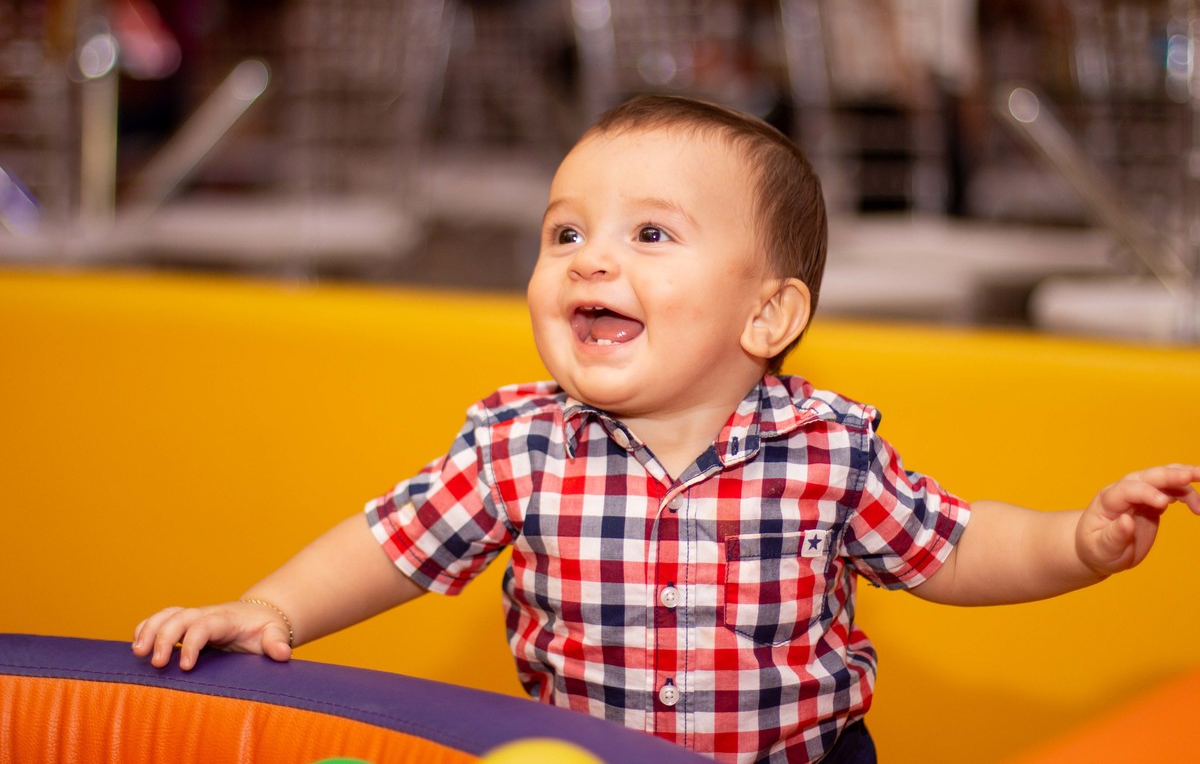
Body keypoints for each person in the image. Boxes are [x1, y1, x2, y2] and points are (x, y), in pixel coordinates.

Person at [133, 95, 1200, 764]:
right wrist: (267, 604)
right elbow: (391, 541)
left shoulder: (826, 446)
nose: (593, 258)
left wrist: (1079, 539)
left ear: (769, 314)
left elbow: (956, 546)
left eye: (651, 232)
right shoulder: (523, 444)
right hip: (581, 755)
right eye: (566, 231)